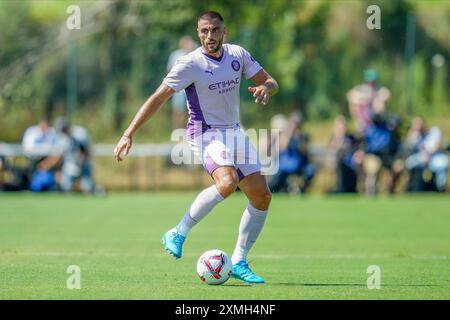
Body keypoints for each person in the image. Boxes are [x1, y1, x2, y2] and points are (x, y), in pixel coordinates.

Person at [114, 11, 279, 284]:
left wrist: (267, 88)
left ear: (223, 31)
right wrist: (128, 133)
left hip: (234, 132)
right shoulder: (189, 64)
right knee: (227, 183)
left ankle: (238, 260)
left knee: (262, 196)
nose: (209, 36)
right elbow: (158, 99)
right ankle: (178, 232)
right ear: (198, 32)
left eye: (215, 30)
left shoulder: (238, 54)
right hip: (205, 133)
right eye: (204, 31)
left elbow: (270, 81)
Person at [268, 111, 315, 194]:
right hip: (285, 167)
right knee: (276, 179)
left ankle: (301, 189)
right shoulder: (284, 136)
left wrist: (298, 138)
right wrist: (289, 136)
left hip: (300, 166)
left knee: (310, 171)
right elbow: (281, 148)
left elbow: (304, 151)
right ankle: (278, 189)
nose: (294, 127)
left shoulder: (303, 137)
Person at [54, 117, 101, 194]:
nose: (63, 132)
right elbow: (61, 155)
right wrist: (59, 170)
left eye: (64, 129)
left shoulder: (80, 133)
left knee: (87, 187)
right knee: (66, 187)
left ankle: (97, 190)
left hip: (84, 163)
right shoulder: (61, 138)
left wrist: (83, 159)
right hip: (70, 165)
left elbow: (88, 149)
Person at [167, 36, 198, 130]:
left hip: (193, 87)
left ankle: (188, 130)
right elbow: (170, 70)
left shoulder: (195, 55)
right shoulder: (176, 55)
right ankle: (177, 129)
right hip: (179, 87)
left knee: (192, 110)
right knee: (178, 109)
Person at [21, 117, 60, 192]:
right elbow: (28, 148)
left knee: (55, 158)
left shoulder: (51, 132)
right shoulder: (32, 131)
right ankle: (32, 185)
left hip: (47, 159)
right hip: (33, 159)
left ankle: (48, 184)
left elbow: (56, 147)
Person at [346, 69, 391, 133]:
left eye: (373, 82)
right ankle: (361, 124)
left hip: (377, 120)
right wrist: (364, 100)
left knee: (378, 102)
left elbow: (386, 95)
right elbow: (350, 95)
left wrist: (371, 99)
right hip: (363, 122)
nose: (371, 84)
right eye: (369, 82)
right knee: (355, 104)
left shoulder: (379, 90)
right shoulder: (362, 90)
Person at [328, 115, 359, 193]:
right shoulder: (334, 138)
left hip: (351, 162)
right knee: (341, 165)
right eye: (340, 126)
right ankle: (341, 188)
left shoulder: (351, 137)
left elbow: (356, 149)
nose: (342, 128)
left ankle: (352, 188)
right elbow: (331, 150)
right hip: (339, 163)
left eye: (343, 126)